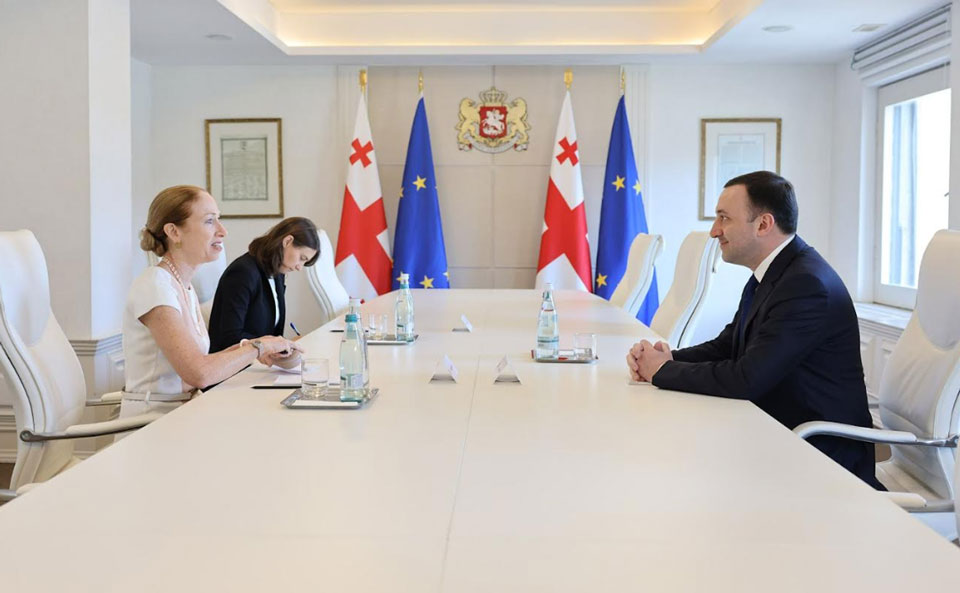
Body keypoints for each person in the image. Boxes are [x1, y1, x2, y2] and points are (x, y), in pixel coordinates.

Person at [626, 171, 880, 488]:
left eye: (724, 218)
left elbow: (747, 379)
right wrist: (668, 358)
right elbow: (728, 345)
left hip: (819, 455)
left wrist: (661, 371)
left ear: (763, 224)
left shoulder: (805, 285)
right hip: (777, 431)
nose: (714, 231)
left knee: (674, 468)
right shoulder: (775, 272)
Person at [122, 185, 302, 418]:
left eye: (219, 219)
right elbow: (199, 373)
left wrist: (258, 346)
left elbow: (202, 362)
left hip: (184, 412)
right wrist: (259, 347)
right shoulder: (155, 286)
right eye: (209, 221)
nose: (222, 231)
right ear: (174, 232)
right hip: (152, 422)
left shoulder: (184, 287)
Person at [207, 217, 319, 361]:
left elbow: (269, 334)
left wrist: (287, 344)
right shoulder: (243, 272)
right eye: (302, 258)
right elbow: (229, 337)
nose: (299, 267)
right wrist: (272, 346)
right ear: (287, 241)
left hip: (258, 363)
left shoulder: (277, 274)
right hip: (233, 366)